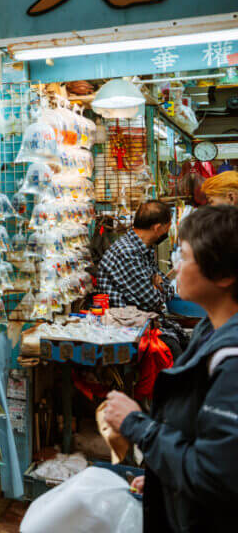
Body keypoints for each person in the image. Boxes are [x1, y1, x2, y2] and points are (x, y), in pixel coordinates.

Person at [102, 205, 238, 533]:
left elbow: (212, 474)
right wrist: (162, 478)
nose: (175, 267)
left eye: (184, 255)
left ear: (222, 275)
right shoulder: (210, 330)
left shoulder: (231, 363)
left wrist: (136, 425)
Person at [96, 200, 186, 357]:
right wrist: (158, 288)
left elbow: (166, 287)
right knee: (175, 352)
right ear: (158, 227)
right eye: (168, 226)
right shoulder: (127, 253)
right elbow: (152, 300)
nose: (168, 230)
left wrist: (159, 287)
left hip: (146, 321)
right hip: (128, 328)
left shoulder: (144, 249)